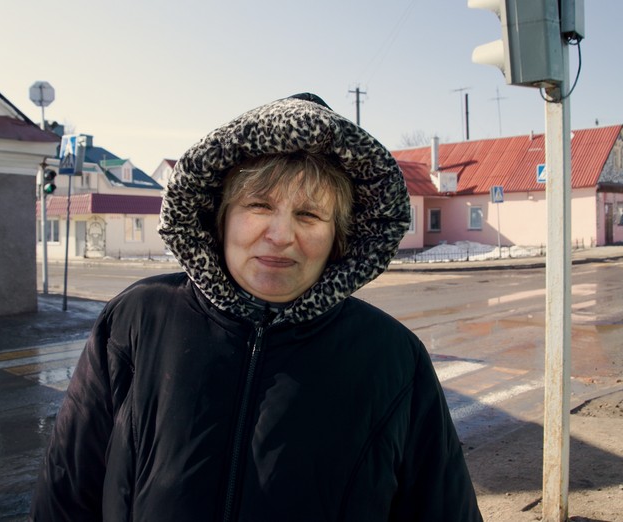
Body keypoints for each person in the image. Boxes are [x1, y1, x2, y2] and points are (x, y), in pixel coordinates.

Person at [30, 93, 483, 521]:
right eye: (259, 205)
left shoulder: (392, 358)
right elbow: (67, 496)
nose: (281, 235)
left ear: (339, 236)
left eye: (309, 214)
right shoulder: (136, 322)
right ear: (221, 215)